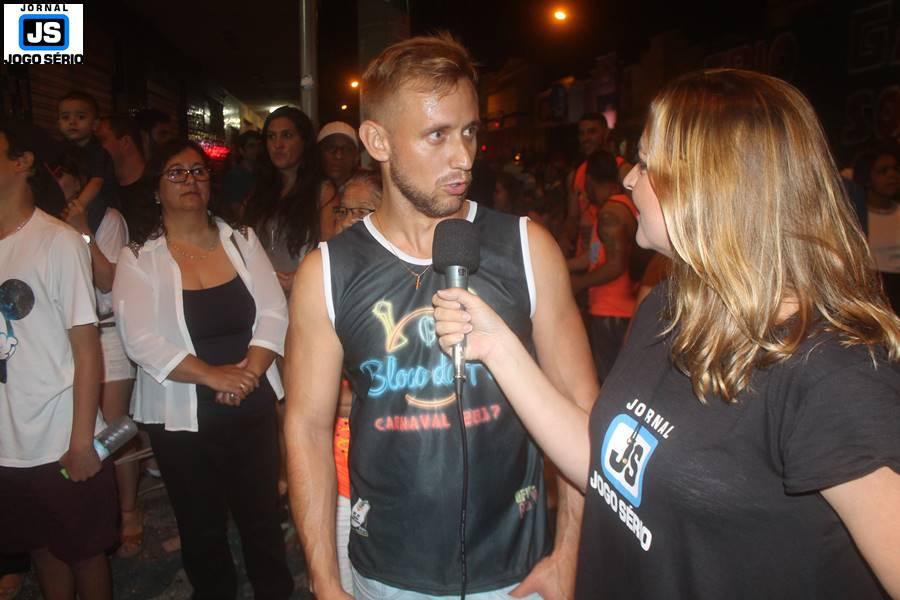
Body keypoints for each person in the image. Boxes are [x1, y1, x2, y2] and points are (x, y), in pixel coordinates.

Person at [433, 68, 900, 599]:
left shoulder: (833, 374)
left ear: (714, 185)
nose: (630, 179)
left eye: (648, 164)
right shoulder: (668, 306)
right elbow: (609, 470)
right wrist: (496, 346)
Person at [285, 34, 598, 599]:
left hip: (517, 574)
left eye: (470, 131)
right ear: (377, 141)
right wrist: (325, 580)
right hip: (386, 575)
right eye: (437, 135)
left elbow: (582, 407)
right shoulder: (327, 272)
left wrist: (569, 553)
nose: (464, 157)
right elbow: (307, 425)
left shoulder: (527, 248)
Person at [111, 140, 293, 599]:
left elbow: (273, 311)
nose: (190, 180)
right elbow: (140, 339)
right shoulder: (139, 256)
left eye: (198, 171)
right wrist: (214, 376)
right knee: (200, 525)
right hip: (180, 413)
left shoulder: (241, 239)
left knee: (262, 517)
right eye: (176, 172)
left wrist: (248, 375)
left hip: (250, 400)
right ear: (156, 188)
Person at [0, 122, 115, 600]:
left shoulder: (57, 241)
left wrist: (82, 441)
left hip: (60, 434)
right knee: (42, 549)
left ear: (22, 162)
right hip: (8, 440)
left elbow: (87, 349)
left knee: (85, 553)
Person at [56, 148, 142, 558]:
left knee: (111, 431)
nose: (57, 183)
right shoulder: (43, 221)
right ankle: (93, 514)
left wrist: (82, 232)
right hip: (67, 338)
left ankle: (127, 511)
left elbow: (108, 281)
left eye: (62, 174)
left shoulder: (108, 219)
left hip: (107, 332)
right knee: (78, 429)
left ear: (79, 179)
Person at [328, 168, 383, 594]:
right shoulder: (323, 284)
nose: (347, 221)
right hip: (338, 474)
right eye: (342, 211)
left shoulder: (413, 285)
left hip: (389, 473)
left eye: (361, 212)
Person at [567, 150, 638, 382]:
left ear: (588, 180)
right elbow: (594, 257)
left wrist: (580, 283)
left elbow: (616, 265)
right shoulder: (618, 205)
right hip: (613, 310)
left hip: (612, 312)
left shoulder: (610, 214)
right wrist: (562, 266)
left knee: (608, 380)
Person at [243, 106, 319, 295]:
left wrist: (303, 278)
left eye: (287, 135)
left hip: (302, 295)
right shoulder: (260, 190)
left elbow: (333, 251)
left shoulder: (321, 191)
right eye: (271, 136)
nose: (278, 144)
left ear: (304, 141)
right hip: (261, 295)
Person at [57, 91, 119, 236]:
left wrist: (77, 207)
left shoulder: (98, 152)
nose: (72, 122)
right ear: (58, 123)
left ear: (95, 124)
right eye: (65, 117)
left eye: (80, 117)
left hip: (100, 204)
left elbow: (96, 182)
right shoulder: (60, 149)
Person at [854, 143, 900, 313]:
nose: (892, 175)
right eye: (883, 171)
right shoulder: (856, 218)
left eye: (895, 169)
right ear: (867, 177)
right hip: (873, 295)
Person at [95, 114, 151, 239]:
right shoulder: (103, 191)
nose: (97, 148)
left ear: (125, 142)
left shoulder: (158, 187)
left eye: (102, 140)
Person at [317, 121, 361, 241]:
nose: (338, 155)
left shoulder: (367, 192)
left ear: (356, 157)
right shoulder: (305, 192)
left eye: (346, 149)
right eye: (331, 148)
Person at [222, 130, 263, 215]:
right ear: (242, 151)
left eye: (259, 145)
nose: (257, 149)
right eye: (251, 146)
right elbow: (236, 212)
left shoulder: (263, 173)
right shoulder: (235, 176)